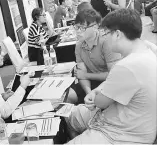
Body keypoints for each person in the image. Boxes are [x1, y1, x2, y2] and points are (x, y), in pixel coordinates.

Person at [65, 9, 157, 144]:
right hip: (133, 122)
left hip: (122, 134)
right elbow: (110, 87)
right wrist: (96, 91)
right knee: (70, 114)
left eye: (106, 33)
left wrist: (95, 94)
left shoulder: (126, 66)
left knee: (71, 115)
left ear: (118, 34)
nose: (105, 37)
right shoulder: (148, 49)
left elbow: (100, 102)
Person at [66, 9, 121, 104]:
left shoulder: (106, 42)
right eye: (76, 27)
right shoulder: (79, 45)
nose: (78, 32)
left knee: (101, 102)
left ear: (95, 26)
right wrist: (89, 93)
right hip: (89, 83)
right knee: (67, 96)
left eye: (82, 28)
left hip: (108, 83)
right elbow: (81, 74)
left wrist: (86, 75)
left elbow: (113, 76)